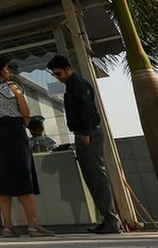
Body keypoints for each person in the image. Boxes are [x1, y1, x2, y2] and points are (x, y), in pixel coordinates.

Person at [0, 59, 54, 238]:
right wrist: (20, 126)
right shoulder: (12, 86)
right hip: (13, 132)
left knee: (0, 181)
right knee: (23, 177)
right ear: (0, 71)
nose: (9, 70)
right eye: (6, 68)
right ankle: (33, 225)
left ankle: (7, 227)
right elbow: (26, 113)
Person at [47, 55, 122, 234]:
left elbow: (88, 108)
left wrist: (87, 132)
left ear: (67, 68)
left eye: (58, 73)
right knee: (91, 179)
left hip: (88, 133)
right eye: (54, 75)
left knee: (97, 178)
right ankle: (107, 219)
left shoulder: (79, 84)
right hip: (81, 133)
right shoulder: (70, 86)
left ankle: (112, 221)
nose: (57, 77)